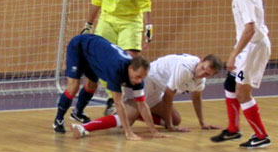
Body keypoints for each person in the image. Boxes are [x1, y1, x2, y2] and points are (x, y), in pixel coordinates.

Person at [80, 0, 153, 116]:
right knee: (101, 60)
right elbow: (96, 0)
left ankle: (136, 99)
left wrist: (148, 26)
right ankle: (113, 98)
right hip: (107, 20)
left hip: (130, 21)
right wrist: (88, 24)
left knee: (131, 60)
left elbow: (144, 2)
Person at [70, 53, 223, 138]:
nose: (202, 73)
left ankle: (137, 113)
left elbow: (197, 98)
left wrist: (202, 123)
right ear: (201, 61)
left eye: (207, 74)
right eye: (202, 68)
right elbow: (168, 97)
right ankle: (84, 127)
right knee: (125, 122)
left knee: (176, 119)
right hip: (148, 81)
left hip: (158, 89)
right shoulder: (185, 68)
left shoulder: (200, 80)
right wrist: (169, 127)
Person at [53, 34, 169, 141]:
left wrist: (154, 131)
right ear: (130, 69)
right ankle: (58, 119)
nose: (139, 81)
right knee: (73, 87)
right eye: (138, 77)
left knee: (92, 85)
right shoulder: (117, 70)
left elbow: (142, 105)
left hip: (95, 55)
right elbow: (118, 103)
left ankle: (77, 112)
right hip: (80, 46)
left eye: (142, 78)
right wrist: (128, 132)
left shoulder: (137, 76)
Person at [210, 0, 272, 149]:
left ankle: (261, 136)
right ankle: (233, 129)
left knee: (242, 93)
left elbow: (250, 28)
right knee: (230, 84)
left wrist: (233, 55)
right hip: (249, 46)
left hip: (252, 48)